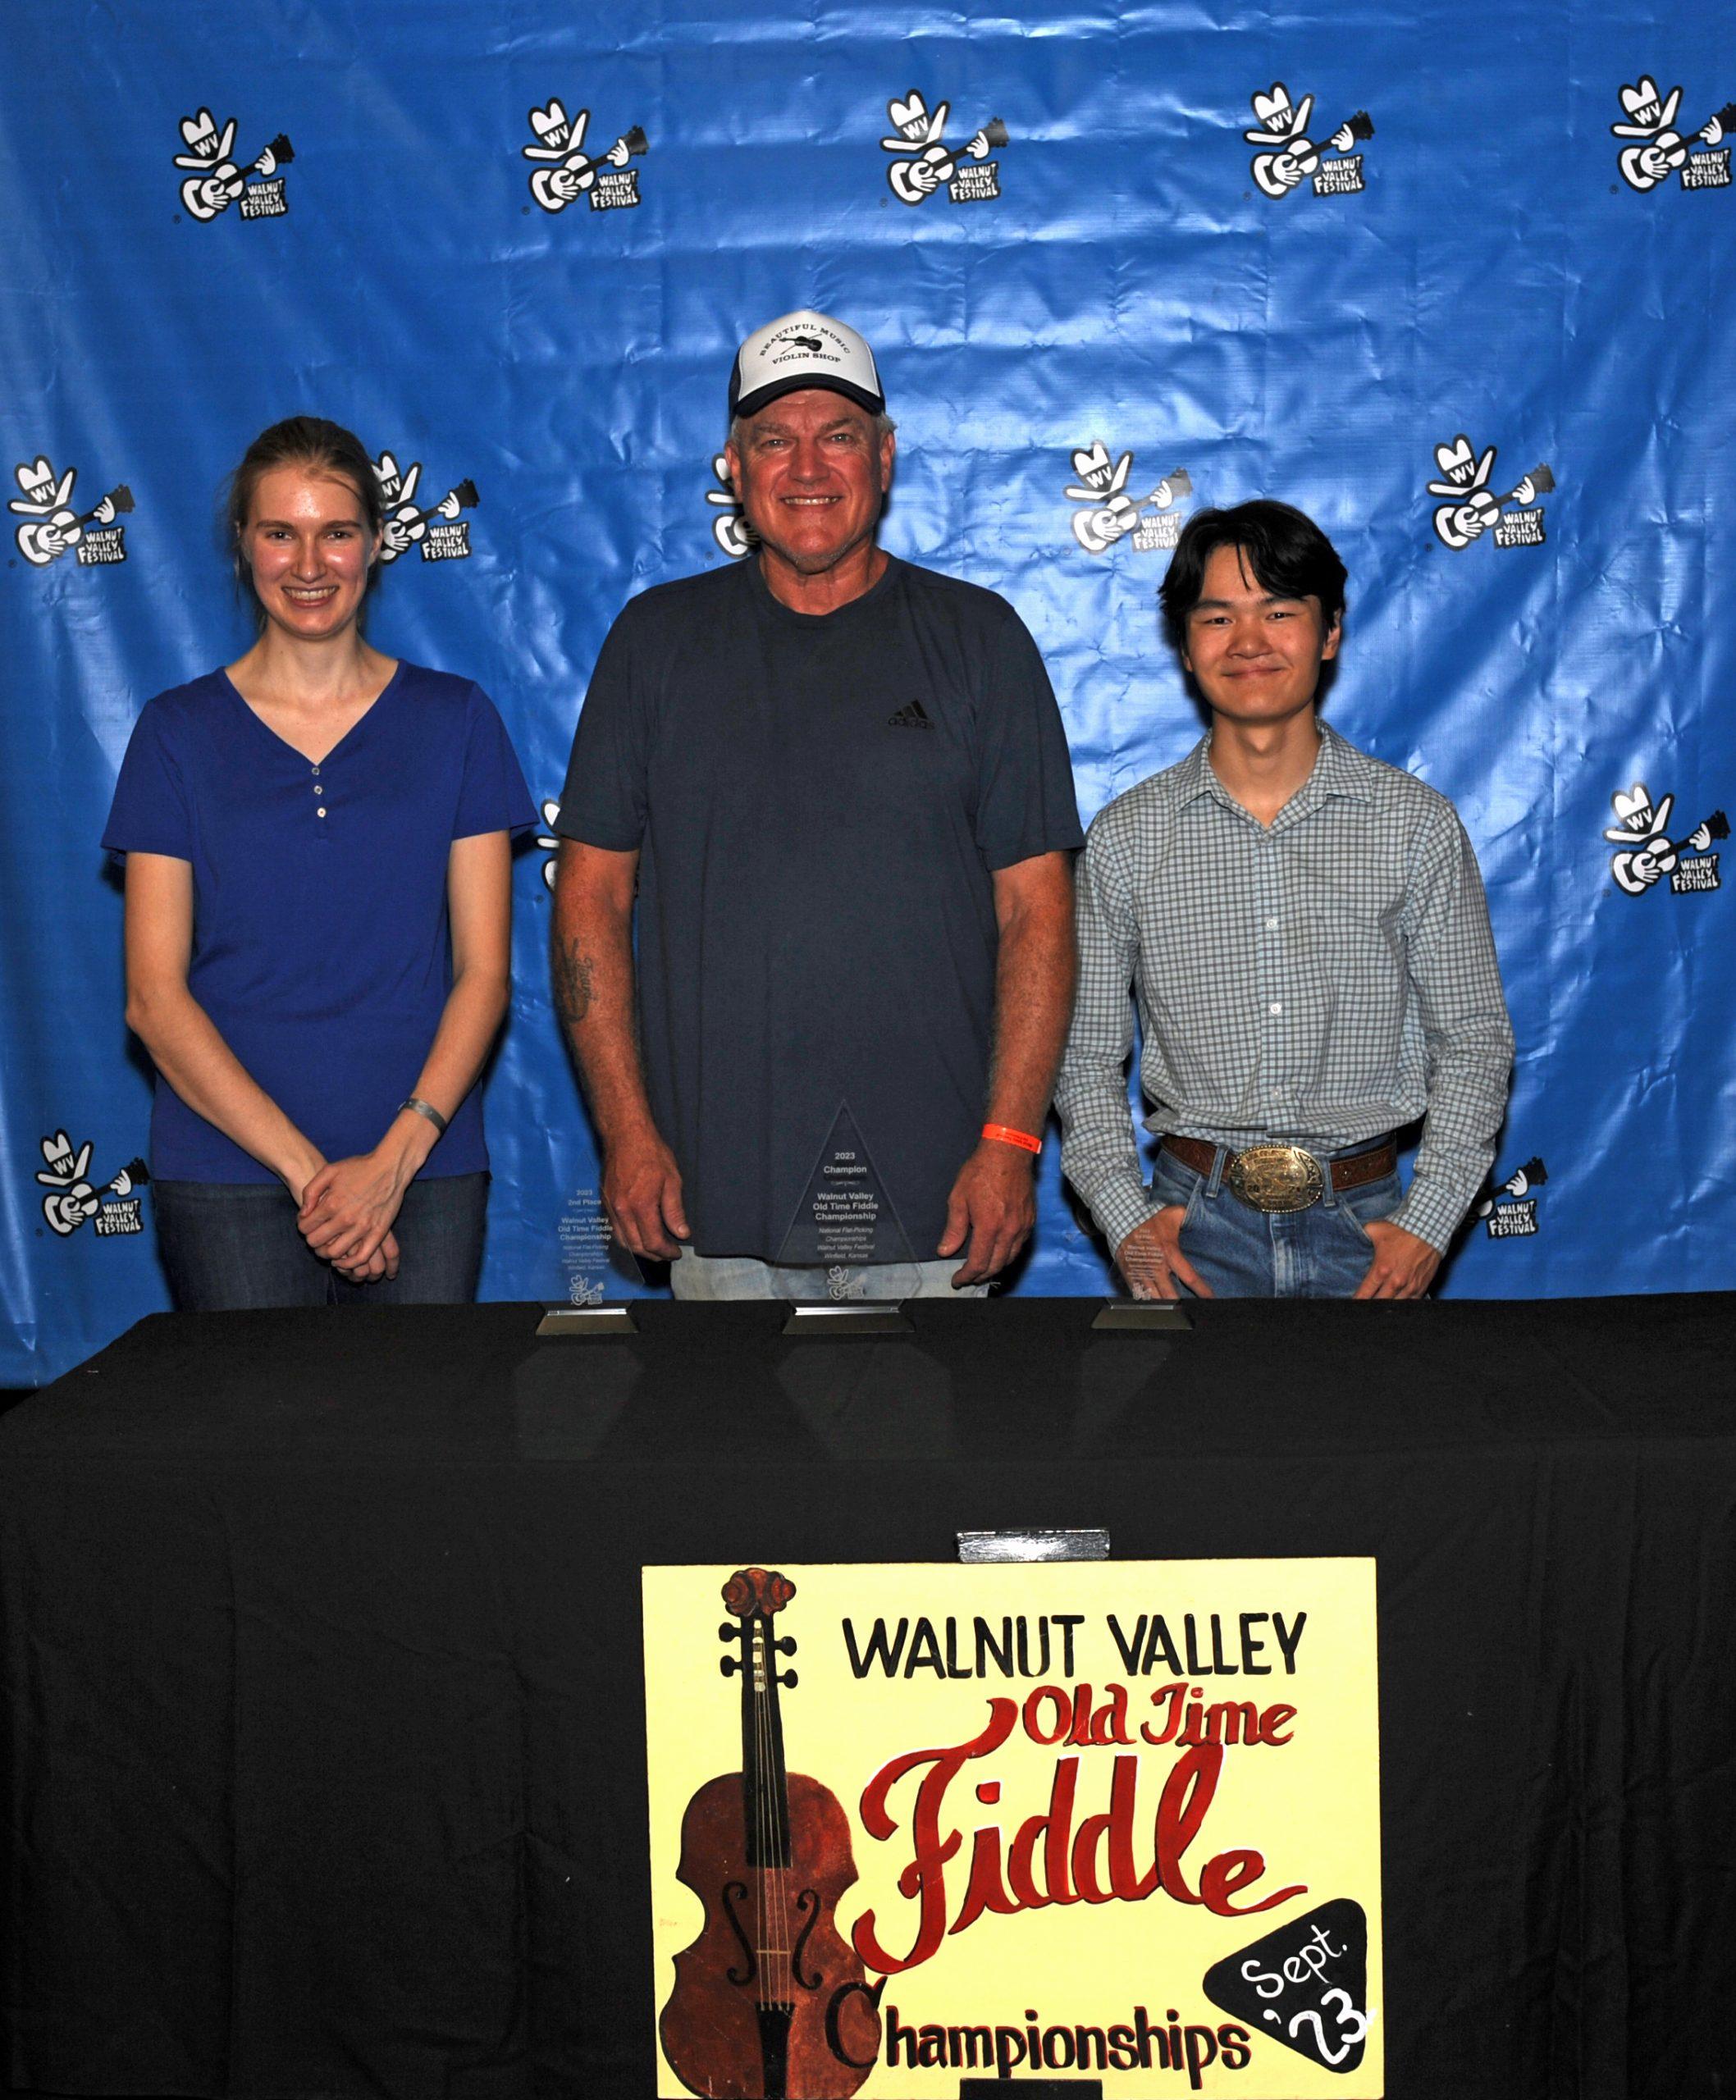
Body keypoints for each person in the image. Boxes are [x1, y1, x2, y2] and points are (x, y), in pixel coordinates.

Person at [551, 310, 1082, 1299]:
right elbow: (587, 899)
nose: (807, 466)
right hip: (713, 1201)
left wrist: (1010, 1141)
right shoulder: (653, 643)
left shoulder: (981, 638)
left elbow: (1037, 909)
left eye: (837, 434)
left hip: (943, 1206)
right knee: (734, 1461)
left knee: (938, 1459)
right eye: (773, 439)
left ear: (884, 457)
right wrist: (625, 1133)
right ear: (733, 466)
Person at [102, 416, 534, 1309]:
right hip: (228, 1177)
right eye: (280, 533)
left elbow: (485, 974)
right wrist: (317, 1180)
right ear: (243, 545)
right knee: (260, 1450)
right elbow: (153, 996)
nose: (309, 564)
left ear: (376, 544)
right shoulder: (174, 735)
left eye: (335, 532)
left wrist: (393, 1162)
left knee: (417, 1443)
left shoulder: (456, 720)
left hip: (424, 1172)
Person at [1056, 500, 1513, 1300]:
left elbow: (1473, 1039)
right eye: (1217, 617)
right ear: (1186, 645)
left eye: (1278, 611)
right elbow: (1084, 1054)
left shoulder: (1415, 827)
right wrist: (1126, 1220)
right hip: (1189, 1233)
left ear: (1329, 632)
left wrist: (1430, 1220)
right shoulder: (1126, 838)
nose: (1249, 643)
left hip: (1368, 1232)